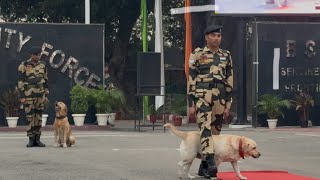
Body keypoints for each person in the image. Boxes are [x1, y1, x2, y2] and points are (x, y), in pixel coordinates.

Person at [187, 25, 233, 179]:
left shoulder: (226, 55)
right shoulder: (197, 54)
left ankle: (203, 167)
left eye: (218, 36)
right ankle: (211, 163)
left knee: (215, 132)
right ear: (206, 37)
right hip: (202, 96)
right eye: (213, 35)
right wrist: (191, 103)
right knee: (205, 130)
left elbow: (229, 80)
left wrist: (228, 104)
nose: (216, 38)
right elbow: (191, 78)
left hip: (220, 98)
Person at [17, 46, 49, 147]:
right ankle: (31, 140)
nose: (39, 57)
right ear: (32, 55)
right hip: (28, 96)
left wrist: (46, 94)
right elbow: (20, 81)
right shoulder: (24, 65)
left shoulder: (43, 65)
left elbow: (46, 80)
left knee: (39, 118)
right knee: (30, 118)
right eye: (37, 55)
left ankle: (38, 139)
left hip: (40, 95)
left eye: (39, 55)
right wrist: (22, 96)